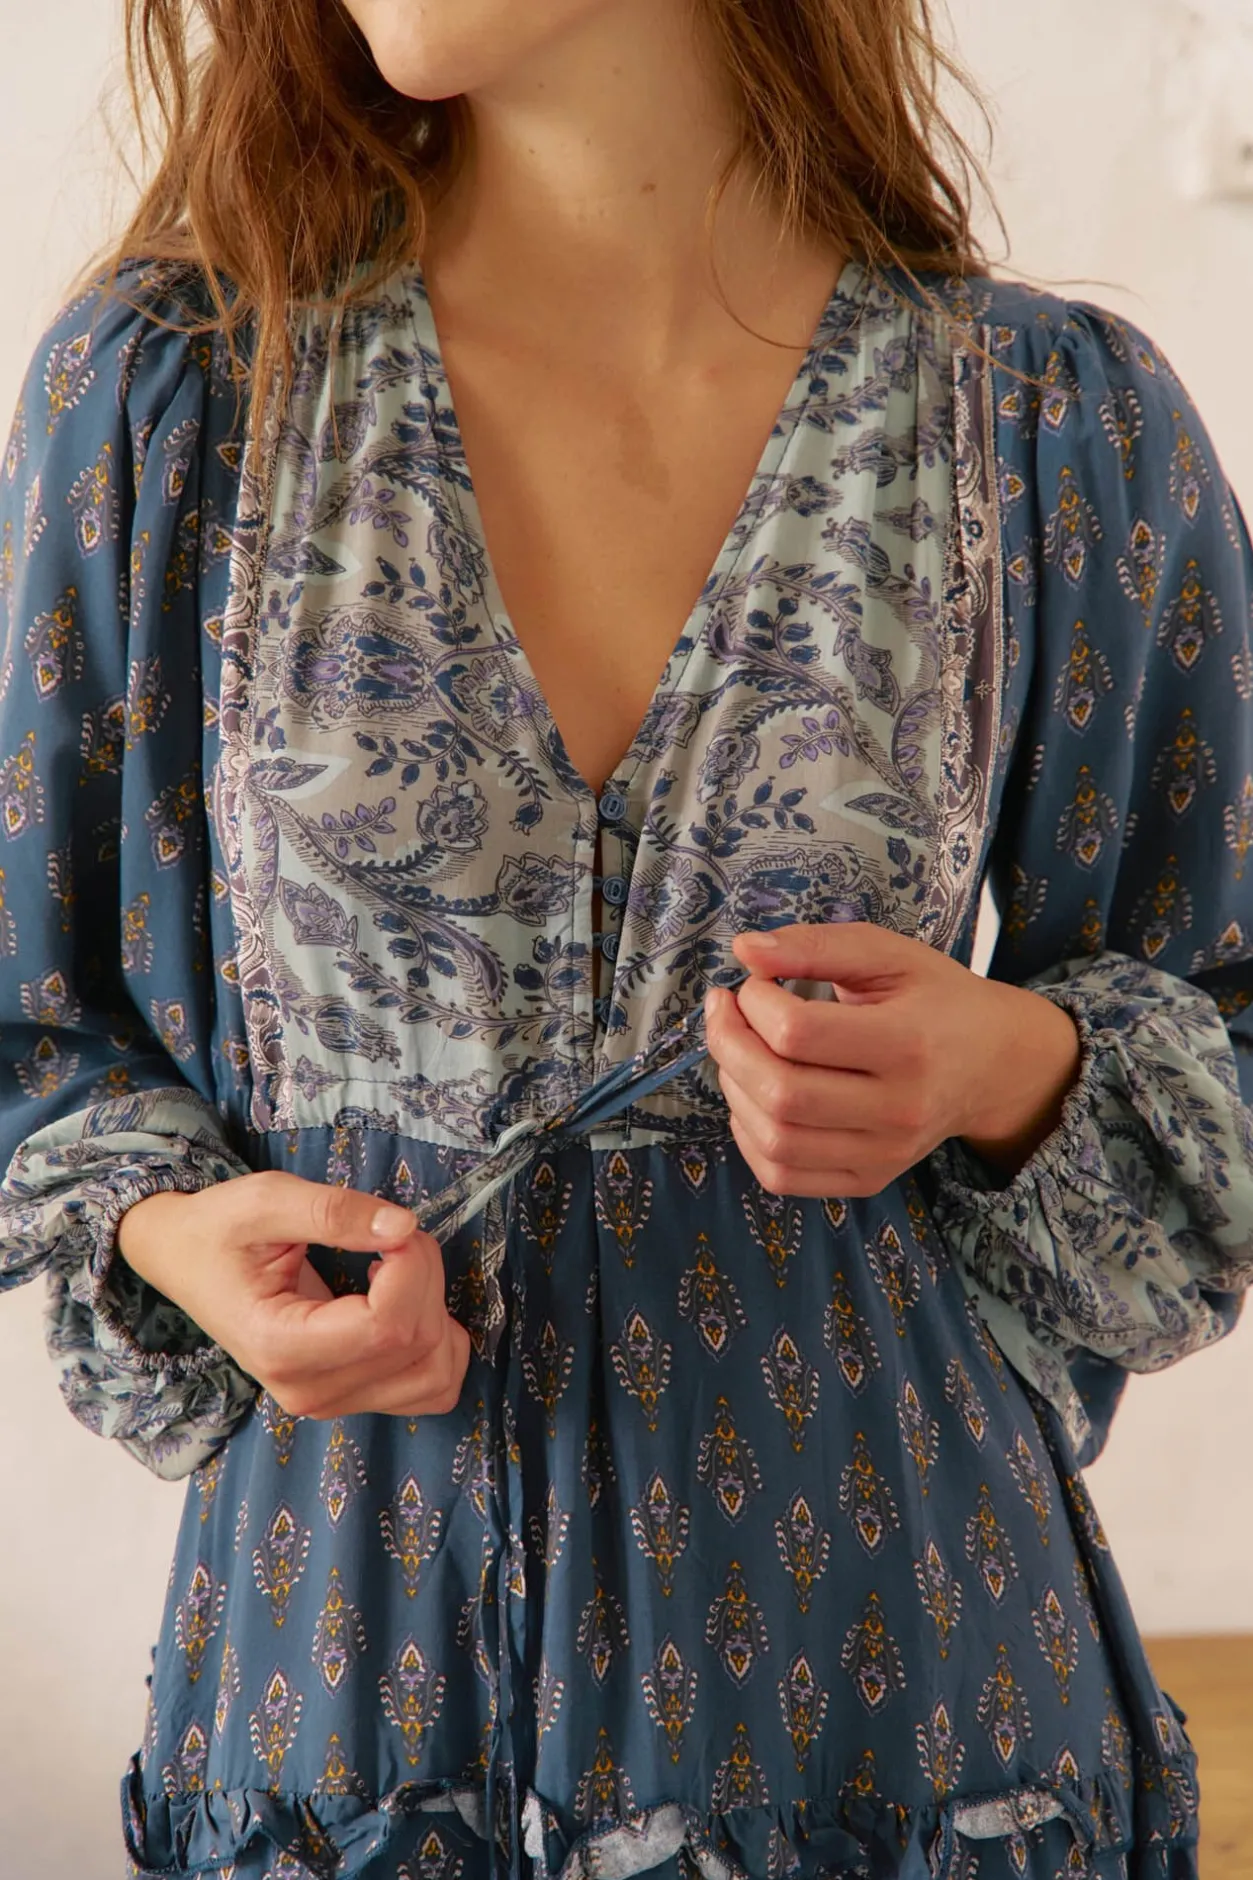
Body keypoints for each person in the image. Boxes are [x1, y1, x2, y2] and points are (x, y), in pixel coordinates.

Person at [1, 1, 1250, 1875]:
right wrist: (171, 1233)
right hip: (344, 1720)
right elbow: (36, 1022)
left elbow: (1230, 1022)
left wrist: (1008, 1068)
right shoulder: (180, 399)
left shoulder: (1048, 425)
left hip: (905, 1723)